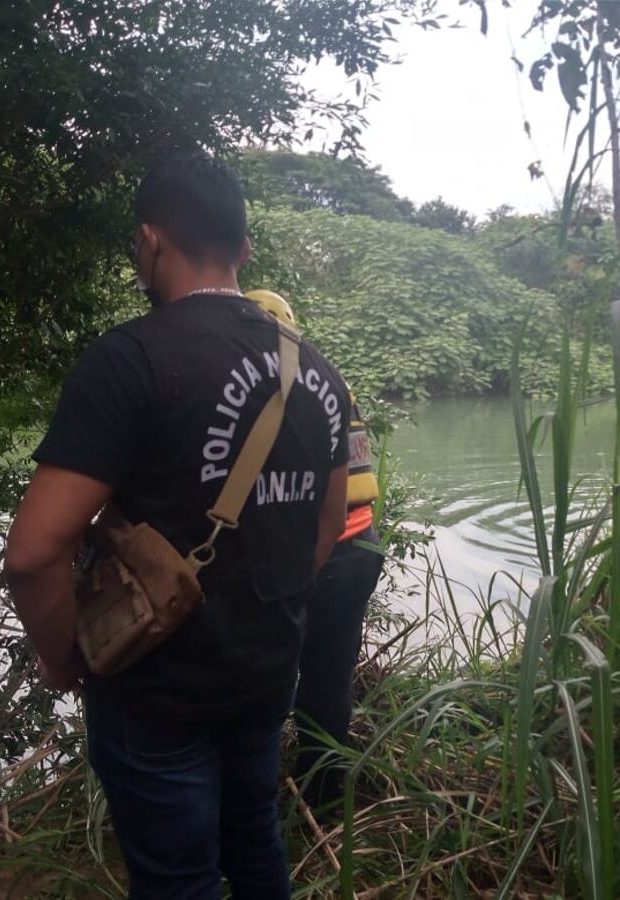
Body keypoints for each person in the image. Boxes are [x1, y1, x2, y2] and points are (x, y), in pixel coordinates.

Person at [3, 152, 350, 899]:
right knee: (254, 840)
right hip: (267, 672)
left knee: (176, 879)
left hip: (156, 687)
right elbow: (327, 526)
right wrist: (268, 618)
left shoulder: (130, 359)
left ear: (150, 240)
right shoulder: (318, 372)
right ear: (243, 248)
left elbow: (33, 553)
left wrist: (62, 658)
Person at [244, 289, 385, 812]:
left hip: (315, 553)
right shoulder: (329, 380)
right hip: (361, 549)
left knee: (267, 676)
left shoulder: (262, 386)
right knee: (329, 677)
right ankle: (324, 799)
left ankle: (257, 800)